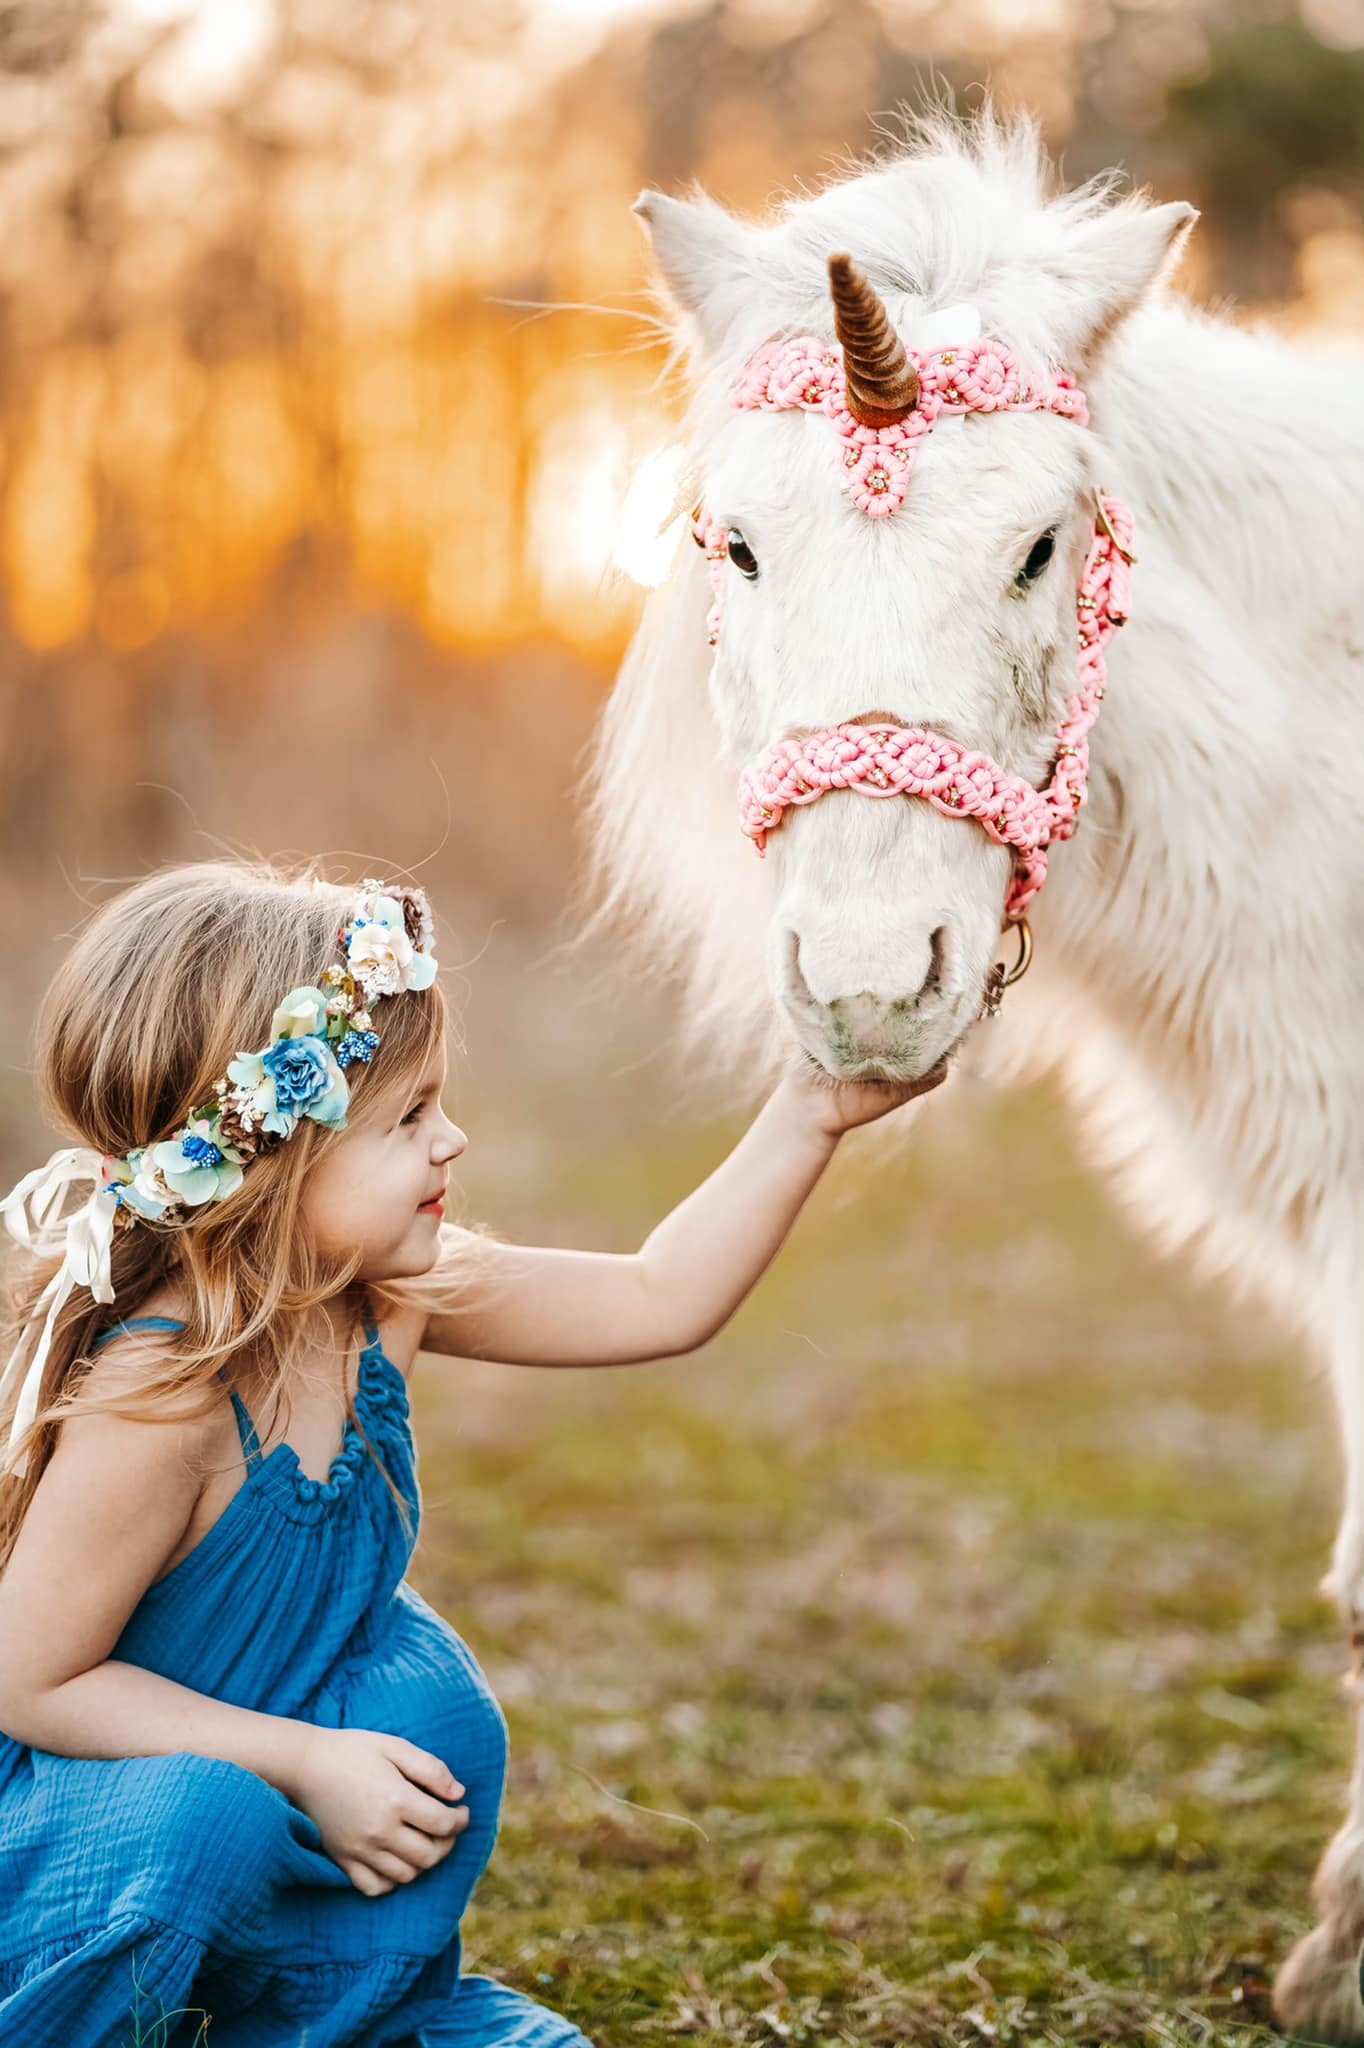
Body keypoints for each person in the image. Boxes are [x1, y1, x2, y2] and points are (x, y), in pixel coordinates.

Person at [0, 857, 943, 2046]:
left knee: (425, 1702)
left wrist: (810, 1109)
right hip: (83, 1852)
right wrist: (302, 1758)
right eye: (407, 1117)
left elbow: (659, 1296)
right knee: (206, 1814)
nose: (453, 1139)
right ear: (267, 1157)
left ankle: (327, 2022)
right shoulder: (160, 1393)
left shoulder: (380, 1297)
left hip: (255, 1800)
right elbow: (31, 1679)